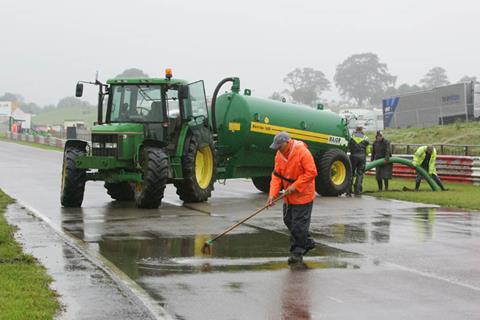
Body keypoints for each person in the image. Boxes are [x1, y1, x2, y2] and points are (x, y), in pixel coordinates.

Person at [267, 131, 318, 264]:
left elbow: (312, 172)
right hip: (289, 196)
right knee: (288, 220)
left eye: (280, 146)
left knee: (298, 225)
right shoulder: (279, 155)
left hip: (303, 194)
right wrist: (272, 195)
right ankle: (307, 242)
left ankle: (297, 252)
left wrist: (295, 186)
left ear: (287, 143)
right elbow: (276, 176)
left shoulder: (302, 152)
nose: (278, 149)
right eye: (276, 147)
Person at [347, 126, 370, 195]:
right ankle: (357, 190)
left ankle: (348, 190)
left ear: (356, 130)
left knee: (351, 173)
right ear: (362, 130)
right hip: (362, 157)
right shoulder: (366, 138)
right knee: (360, 173)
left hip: (353, 156)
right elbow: (368, 151)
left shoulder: (351, 137)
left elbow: (348, 148)